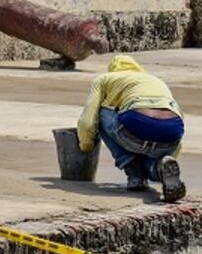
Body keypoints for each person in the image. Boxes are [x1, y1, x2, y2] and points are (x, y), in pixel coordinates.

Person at [77, 55, 186, 203]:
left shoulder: (104, 79)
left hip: (136, 128)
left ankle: (133, 172)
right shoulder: (155, 80)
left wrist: (86, 145)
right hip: (171, 134)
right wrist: (171, 152)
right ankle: (160, 167)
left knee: (100, 113)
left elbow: (87, 122)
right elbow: (179, 118)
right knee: (156, 161)